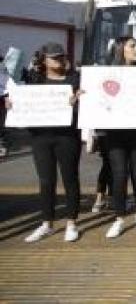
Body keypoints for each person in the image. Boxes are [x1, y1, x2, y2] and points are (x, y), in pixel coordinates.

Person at [13, 43, 82, 243]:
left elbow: (86, 105)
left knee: (70, 179)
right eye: (54, 57)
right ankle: (47, 223)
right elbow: (21, 100)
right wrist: (13, 103)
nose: (59, 60)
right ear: (44, 60)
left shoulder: (74, 79)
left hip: (67, 136)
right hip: (41, 137)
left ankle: (71, 223)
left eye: (61, 56)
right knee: (46, 181)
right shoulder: (35, 80)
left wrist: (77, 101)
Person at [103, 37, 136, 239]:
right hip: (115, 133)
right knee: (119, 174)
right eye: (132, 46)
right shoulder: (108, 74)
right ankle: (119, 218)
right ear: (120, 49)